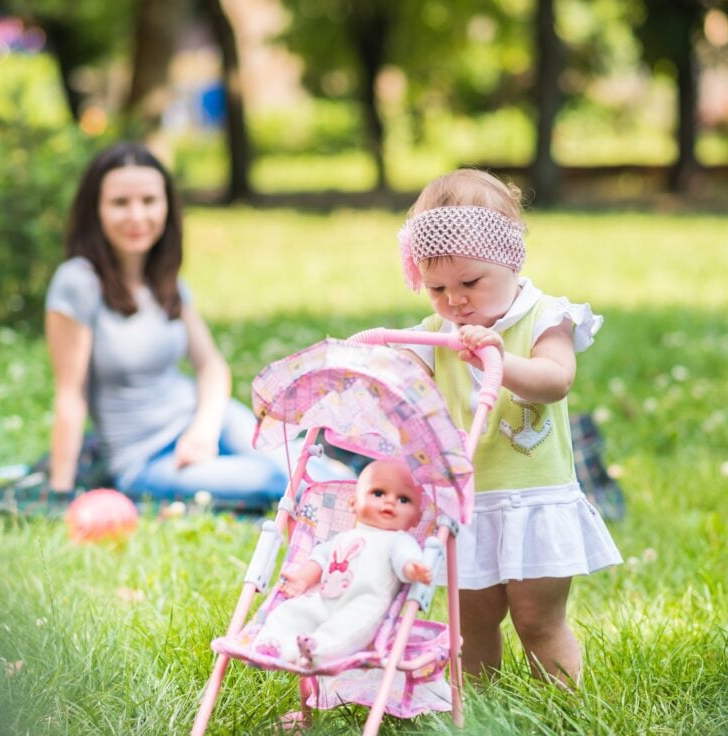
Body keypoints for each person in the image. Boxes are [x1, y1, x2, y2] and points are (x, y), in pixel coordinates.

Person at [395, 168, 622, 687]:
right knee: (470, 625)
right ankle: (480, 710)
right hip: (470, 505)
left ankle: (563, 706)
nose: (455, 301)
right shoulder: (436, 334)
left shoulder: (545, 317)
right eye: (436, 289)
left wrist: (497, 358)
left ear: (509, 260)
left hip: (534, 499)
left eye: (470, 283)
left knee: (538, 620)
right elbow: (405, 384)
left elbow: (555, 380)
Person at [43, 141, 295, 512]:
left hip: (205, 419)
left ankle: (376, 496)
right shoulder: (77, 282)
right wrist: (60, 493)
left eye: (149, 200)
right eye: (119, 203)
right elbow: (71, 394)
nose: (136, 216)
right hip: (145, 460)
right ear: (94, 210)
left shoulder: (165, 281)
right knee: (273, 479)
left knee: (298, 462)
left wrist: (203, 429)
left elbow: (211, 367)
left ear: (167, 207)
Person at [251, 459, 432, 668]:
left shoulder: (399, 540)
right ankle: (275, 645)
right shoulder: (344, 537)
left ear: (416, 518)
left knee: (348, 627)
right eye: (379, 493)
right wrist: (302, 579)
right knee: (291, 611)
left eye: (403, 499)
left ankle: (319, 651)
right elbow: (320, 557)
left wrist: (412, 568)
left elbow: (405, 559)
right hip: (324, 599)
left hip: (364, 605)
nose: (389, 502)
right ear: (354, 503)